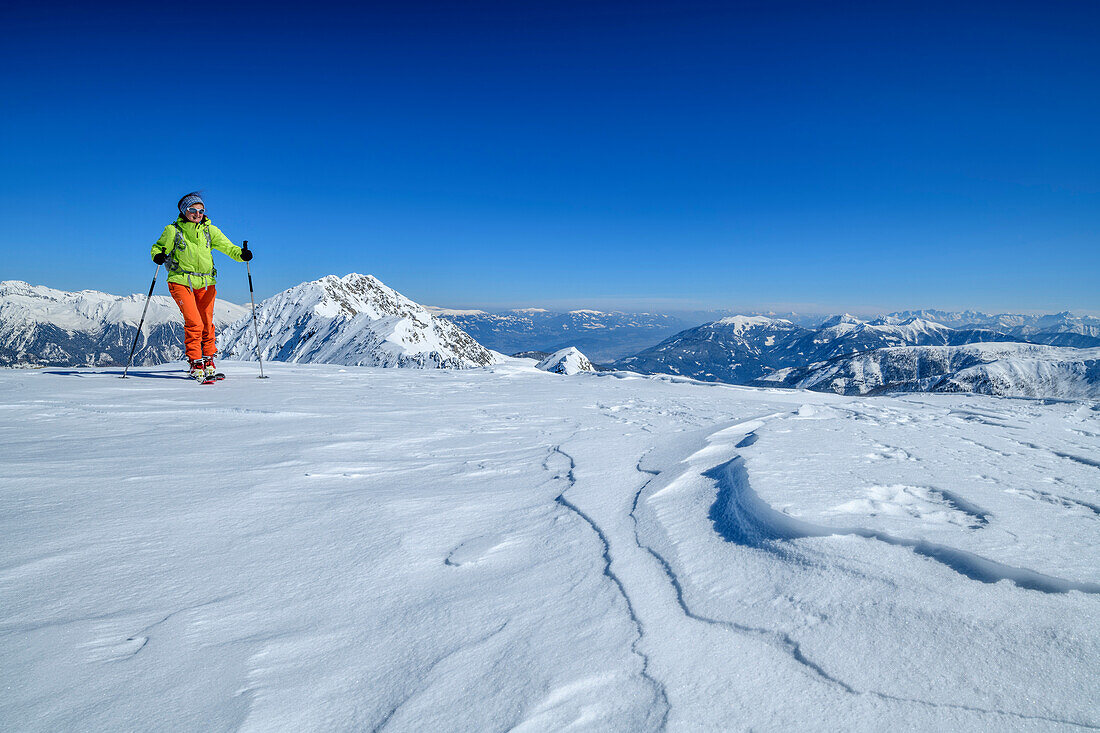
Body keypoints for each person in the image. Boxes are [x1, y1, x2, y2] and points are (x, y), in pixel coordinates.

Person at [150, 192, 252, 381]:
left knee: (206, 322)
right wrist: (158, 255)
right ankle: (195, 361)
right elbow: (158, 247)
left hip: (206, 283)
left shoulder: (209, 230)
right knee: (194, 322)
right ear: (184, 211)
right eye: (193, 210)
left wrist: (241, 254)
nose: (197, 214)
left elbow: (228, 247)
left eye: (201, 210)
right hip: (180, 280)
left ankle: (208, 359)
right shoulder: (173, 231)